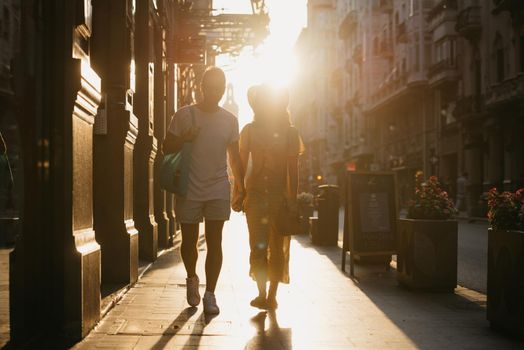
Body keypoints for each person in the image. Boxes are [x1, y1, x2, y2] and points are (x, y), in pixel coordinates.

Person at [163, 67, 245, 314]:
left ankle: (210, 294)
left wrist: (241, 185)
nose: (215, 92)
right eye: (211, 87)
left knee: (215, 241)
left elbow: (235, 155)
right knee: (188, 241)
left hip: (218, 187)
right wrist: (186, 137)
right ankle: (191, 278)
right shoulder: (183, 115)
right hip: (189, 188)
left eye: (219, 88)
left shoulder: (230, 120)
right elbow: (166, 147)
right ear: (201, 87)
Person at [238, 85, 303, 310]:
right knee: (262, 245)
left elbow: (293, 170)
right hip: (258, 195)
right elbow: (241, 165)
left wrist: (292, 199)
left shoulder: (289, 133)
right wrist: (239, 191)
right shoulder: (250, 130)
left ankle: (270, 295)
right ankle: (264, 294)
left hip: (275, 196)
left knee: (274, 246)